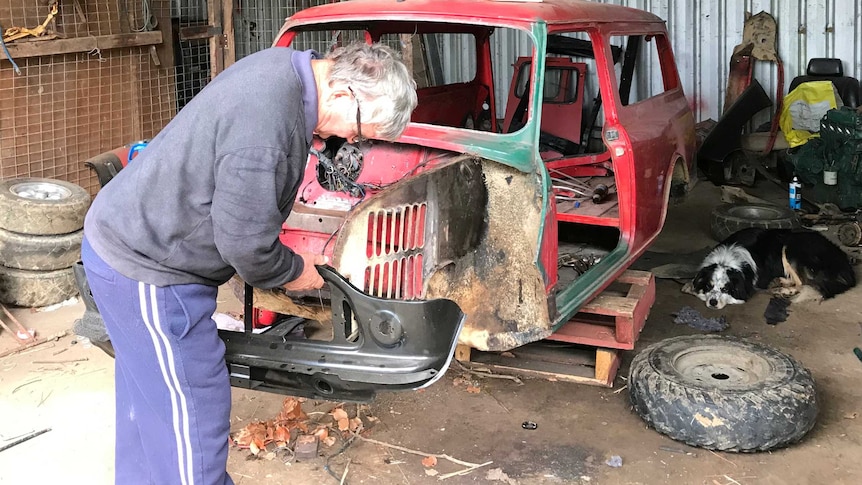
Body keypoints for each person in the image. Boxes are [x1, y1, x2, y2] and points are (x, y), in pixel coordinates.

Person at [81, 42, 417, 484]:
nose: (352, 141)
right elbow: (245, 246)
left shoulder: (286, 70)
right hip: (149, 266)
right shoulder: (268, 127)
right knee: (191, 408)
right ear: (344, 95)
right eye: (360, 131)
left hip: (128, 244)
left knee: (152, 406)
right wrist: (298, 271)